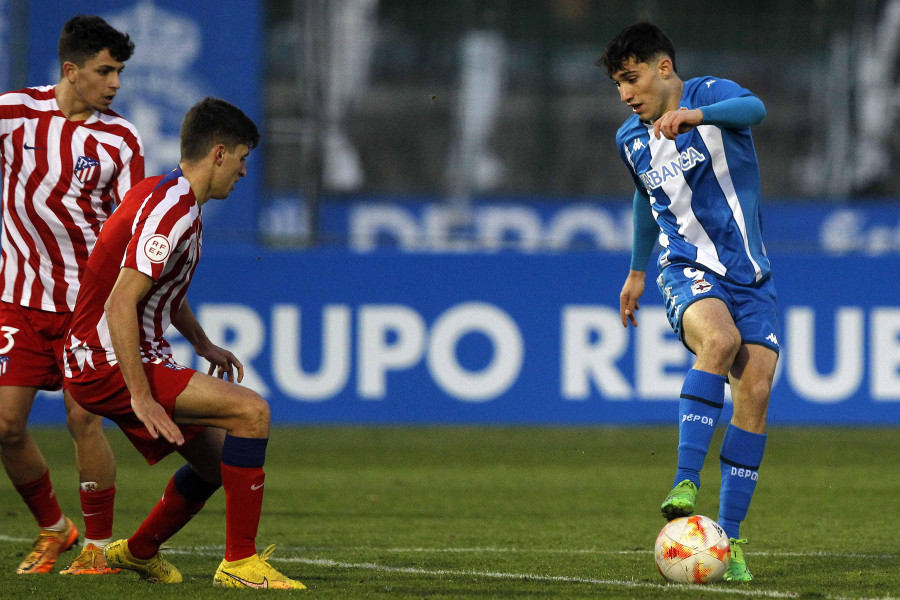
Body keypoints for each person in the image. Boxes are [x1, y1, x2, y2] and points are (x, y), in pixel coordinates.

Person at [63, 97, 305, 589]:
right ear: (218, 153)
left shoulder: (171, 197)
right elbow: (119, 303)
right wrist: (140, 395)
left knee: (217, 465)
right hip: (108, 360)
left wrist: (202, 342)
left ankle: (137, 550)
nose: (242, 173)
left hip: (112, 356)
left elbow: (162, 290)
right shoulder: (170, 211)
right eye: (240, 159)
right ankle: (239, 564)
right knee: (252, 413)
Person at [598, 22, 780, 582]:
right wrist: (635, 271)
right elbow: (644, 197)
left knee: (755, 390)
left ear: (664, 68)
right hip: (686, 267)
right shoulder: (632, 139)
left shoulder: (712, 96)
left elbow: (757, 111)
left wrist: (693, 118)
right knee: (719, 341)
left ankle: (729, 539)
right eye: (618, 85)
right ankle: (684, 481)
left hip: (750, 274)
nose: (626, 94)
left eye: (631, 79)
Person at [0, 15, 143, 574]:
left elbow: (132, 227)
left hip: (87, 306)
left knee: (84, 420)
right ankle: (55, 529)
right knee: (5, 426)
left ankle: (99, 546)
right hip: (17, 297)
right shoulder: (12, 114)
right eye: (105, 71)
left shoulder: (120, 138)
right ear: (70, 69)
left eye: (120, 72)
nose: (114, 84)